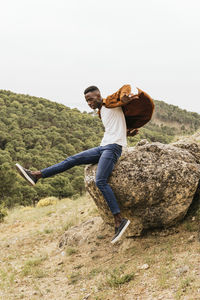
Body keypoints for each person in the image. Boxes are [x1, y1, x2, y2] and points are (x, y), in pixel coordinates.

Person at [16, 85, 139, 244]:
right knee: (72, 160)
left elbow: (125, 89)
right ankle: (36, 175)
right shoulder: (102, 111)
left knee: (100, 181)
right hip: (103, 147)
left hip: (114, 147)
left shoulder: (110, 102)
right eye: (87, 101)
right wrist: (128, 131)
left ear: (99, 95)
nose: (89, 103)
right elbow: (118, 124)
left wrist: (125, 98)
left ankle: (119, 220)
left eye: (91, 99)